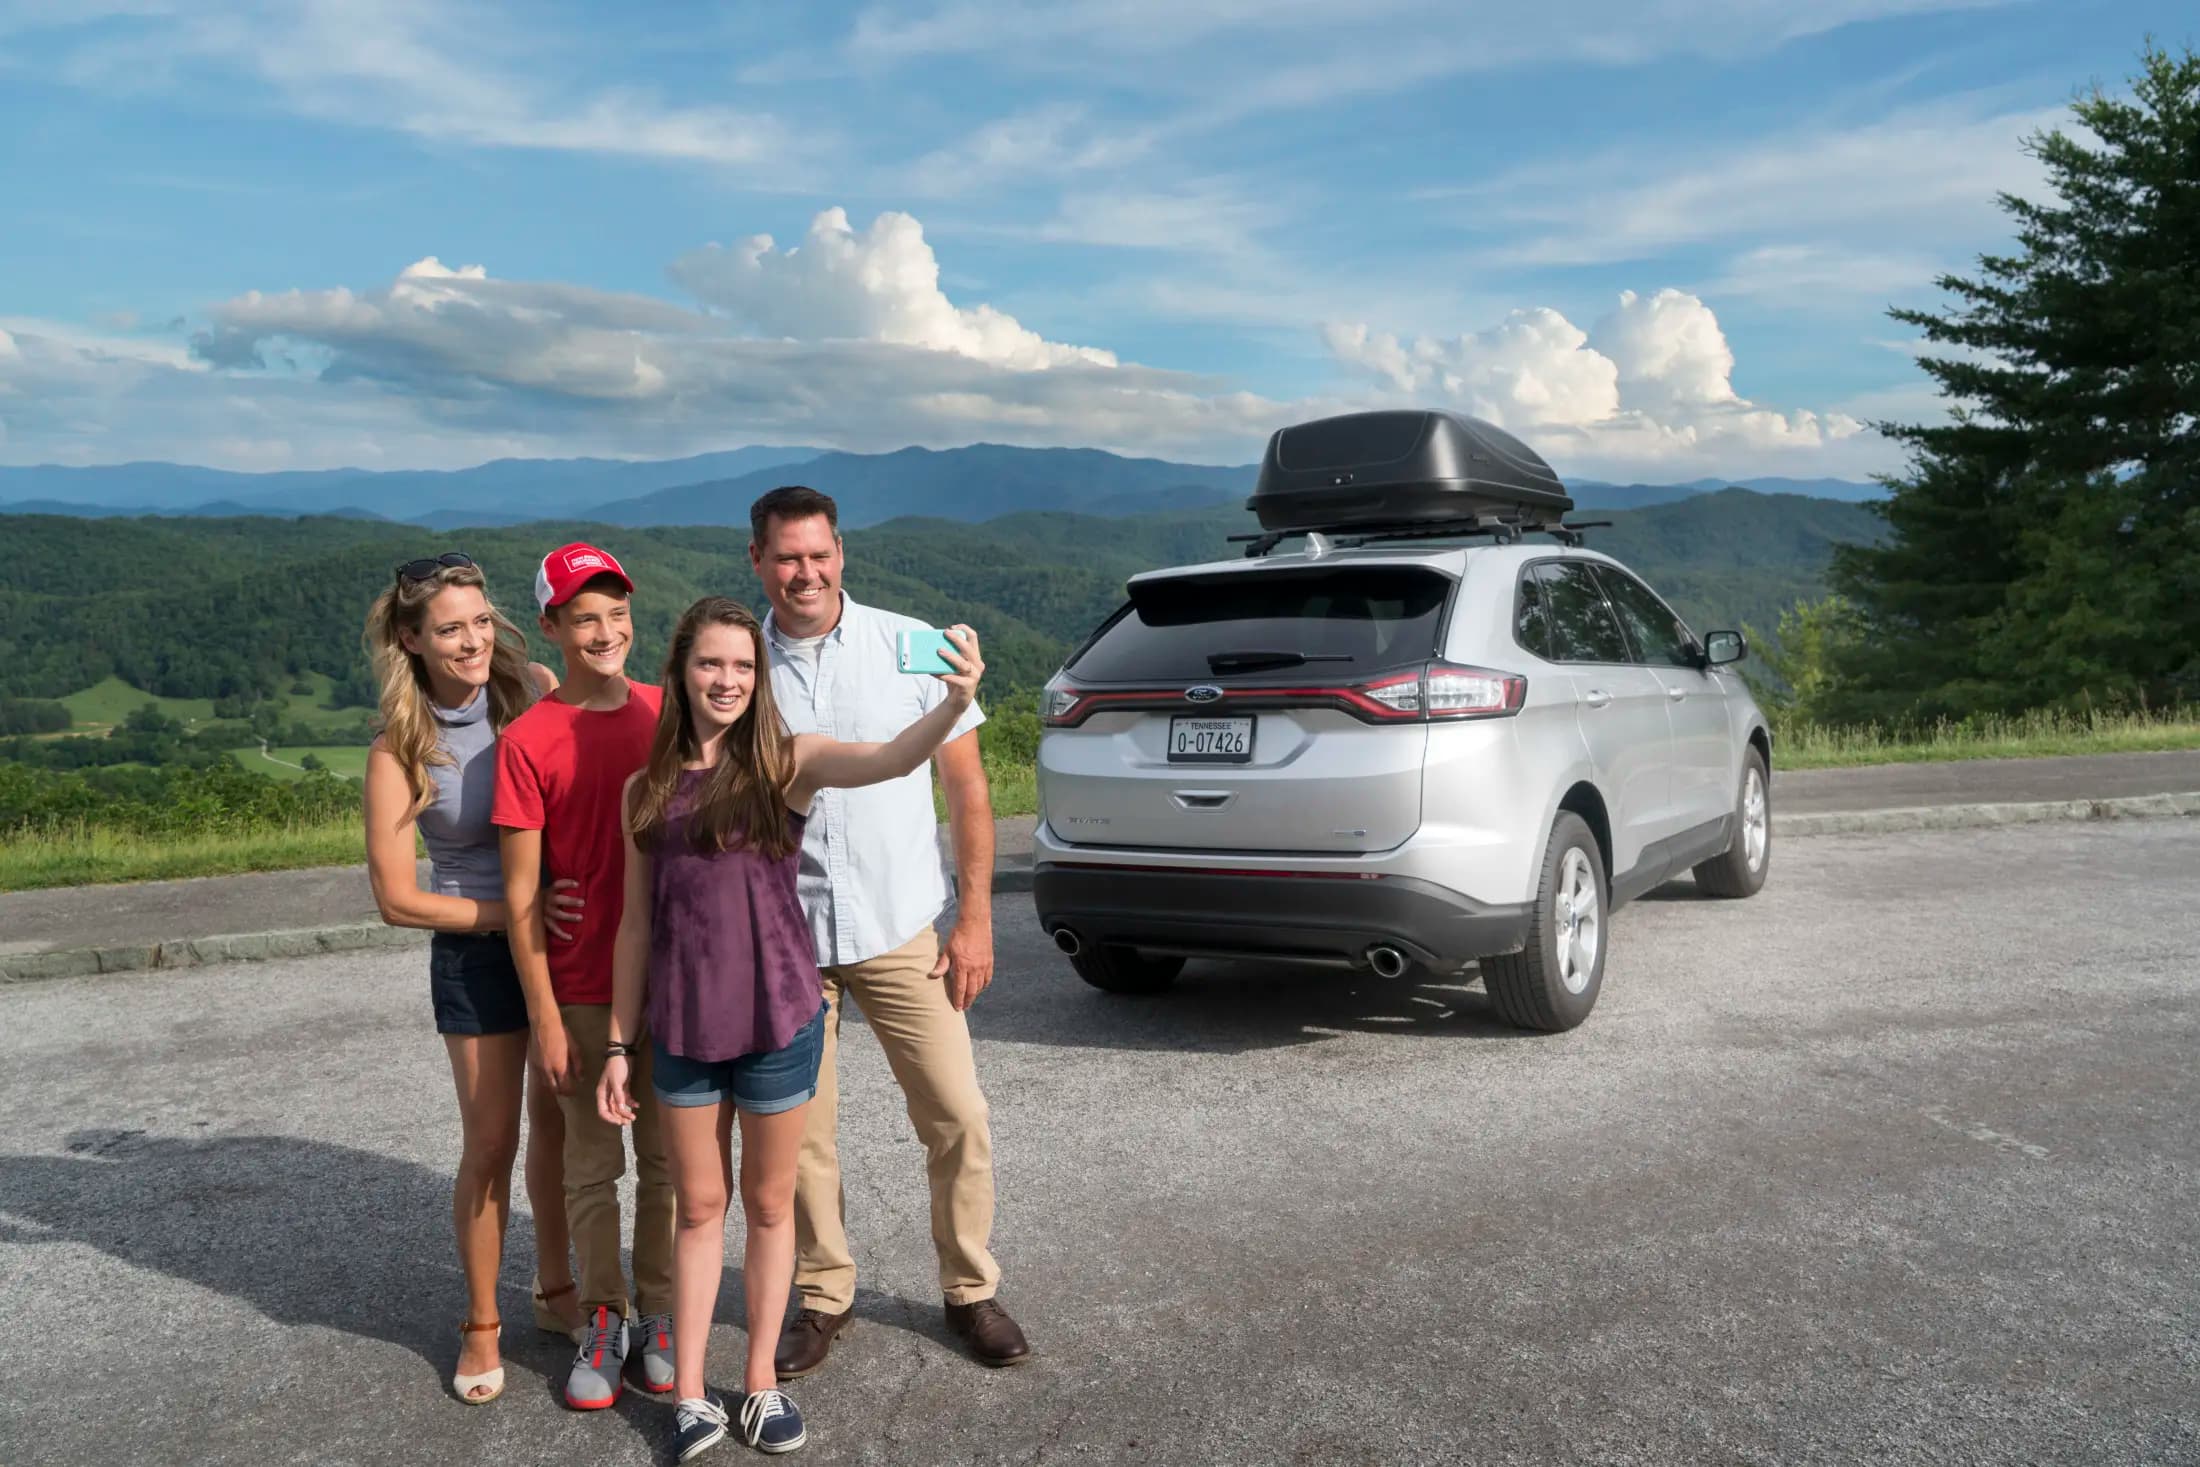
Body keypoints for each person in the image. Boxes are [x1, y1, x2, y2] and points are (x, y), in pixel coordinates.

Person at [596, 597, 984, 1461]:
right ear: (681, 671)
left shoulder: (787, 762)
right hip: (688, 1026)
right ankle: (693, 1393)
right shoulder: (644, 789)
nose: (727, 679)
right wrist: (619, 1046)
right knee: (699, 1208)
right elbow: (633, 928)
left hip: (780, 1017)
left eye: (742, 664)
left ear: (757, 675)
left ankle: (761, 1381)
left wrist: (954, 706)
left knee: (772, 1206)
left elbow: (888, 759)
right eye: (709, 664)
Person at [747, 486, 1033, 1377]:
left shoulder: (912, 645)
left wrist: (976, 917)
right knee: (801, 1137)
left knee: (958, 1113)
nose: (806, 572)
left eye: (819, 553)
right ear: (757, 561)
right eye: (788, 557)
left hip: (901, 922)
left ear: (843, 554)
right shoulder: (733, 663)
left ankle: (969, 1289)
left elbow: (969, 791)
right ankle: (825, 1293)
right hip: (785, 935)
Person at [359, 551, 587, 1405]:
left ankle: (559, 1290)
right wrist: (510, 916)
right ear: (412, 638)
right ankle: (483, 1321)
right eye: (450, 628)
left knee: (560, 1120)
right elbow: (396, 897)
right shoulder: (400, 749)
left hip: (561, 933)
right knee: (492, 1144)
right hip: (479, 944)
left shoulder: (526, 685)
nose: (472, 640)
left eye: (481, 621)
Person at [492, 541, 677, 1410]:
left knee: (672, 1161)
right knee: (592, 1164)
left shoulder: (665, 711)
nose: (606, 631)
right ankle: (604, 1315)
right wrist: (548, 1023)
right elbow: (524, 900)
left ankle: (663, 1313)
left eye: (617, 613)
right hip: (581, 983)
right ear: (552, 627)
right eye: (585, 616)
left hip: (673, 982)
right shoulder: (529, 740)